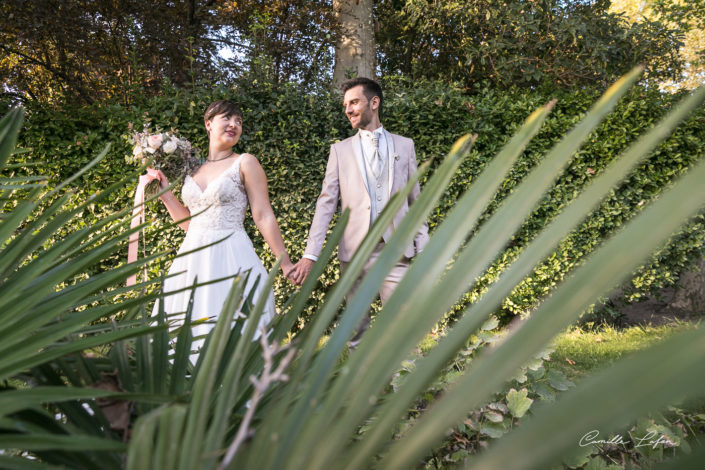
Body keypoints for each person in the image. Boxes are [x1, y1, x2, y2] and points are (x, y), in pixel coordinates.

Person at [290, 77, 429, 343]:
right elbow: (326, 203)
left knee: (402, 329)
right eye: (345, 105)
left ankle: (402, 384)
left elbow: (415, 199)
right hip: (354, 254)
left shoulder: (405, 145)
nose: (348, 110)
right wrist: (311, 253)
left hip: (395, 250)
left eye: (354, 102)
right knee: (357, 330)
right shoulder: (339, 151)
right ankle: (358, 384)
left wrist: (423, 245)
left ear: (374, 102)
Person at [154, 100, 294, 354]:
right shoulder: (191, 169)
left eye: (239, 121)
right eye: (227, 118)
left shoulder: (245, 162)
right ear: (208, 124)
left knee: (232, 323)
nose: (234, 125)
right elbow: (189, 223)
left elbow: (262, 215)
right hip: (192, 258)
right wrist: (165, 194)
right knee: (187, 322)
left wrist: (283, 262)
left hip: (231, 255)